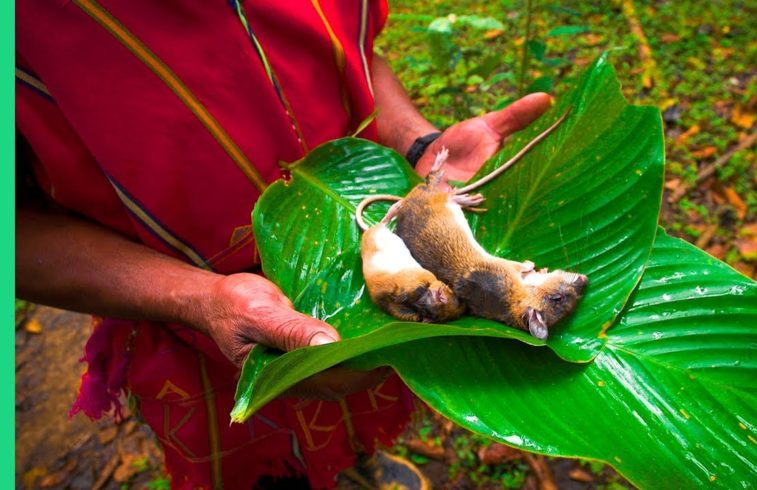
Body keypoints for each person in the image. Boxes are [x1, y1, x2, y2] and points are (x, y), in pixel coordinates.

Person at [15, 1, 552, 488]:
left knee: (365, 380)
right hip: (193, 300)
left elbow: (356, 54)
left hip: (356, 245)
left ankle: (355, 465)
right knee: (266, 456)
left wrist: (416, 141)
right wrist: (198, 299)